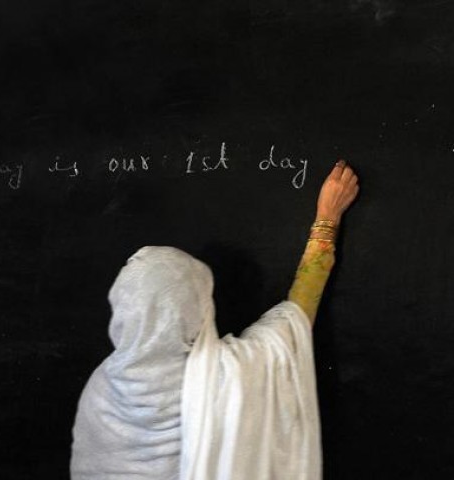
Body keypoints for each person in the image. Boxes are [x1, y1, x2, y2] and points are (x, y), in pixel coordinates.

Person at [70, 160, 359, 480]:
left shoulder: (101, 389)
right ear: (197, 307)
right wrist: (327, 218)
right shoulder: (228, 375)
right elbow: (297, 318)